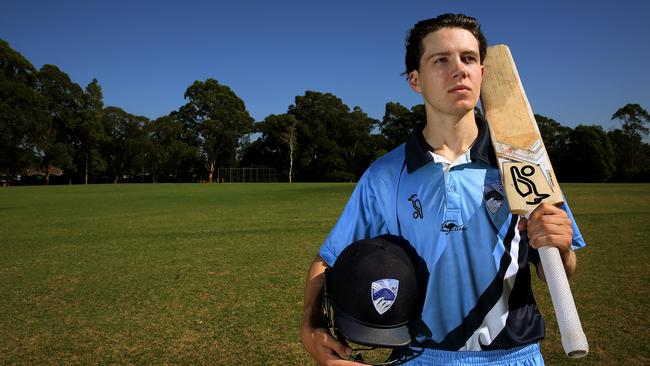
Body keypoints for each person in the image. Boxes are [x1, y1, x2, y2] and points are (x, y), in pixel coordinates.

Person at [301, 13, 586, 366]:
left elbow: (556, 267)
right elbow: (327, 259)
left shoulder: (525, 163)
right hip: (417, 355)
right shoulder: (385, 175)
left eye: (469, 58)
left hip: (514, 355)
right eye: (441, 60)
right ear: (415, 80)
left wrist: (561, 248)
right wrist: (310, 326)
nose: (459, 69)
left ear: (483, 72)